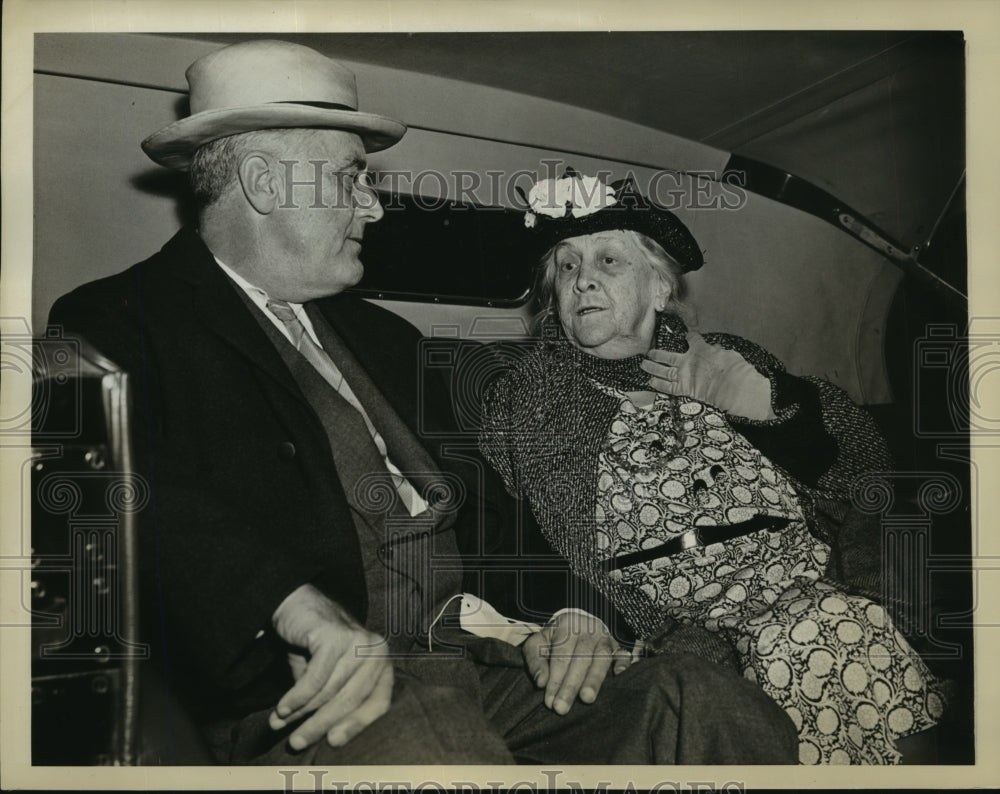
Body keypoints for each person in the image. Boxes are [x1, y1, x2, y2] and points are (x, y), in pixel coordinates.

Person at [47, 41, 799, 765]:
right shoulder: (119, 319)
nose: (372, 209)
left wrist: (576, 609)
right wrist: (284, 602)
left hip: (473, 655)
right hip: (310, 692)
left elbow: (496, 510)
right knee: (438, 743)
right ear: (263, 184)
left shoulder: (387, 338)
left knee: (703, 698)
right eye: (351, 179)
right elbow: (121, 487)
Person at [479, 170, 948, 764]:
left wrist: (770, 407)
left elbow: (863, 466)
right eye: (567, 267)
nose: (584, 279)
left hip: (809, 578)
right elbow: (503, 532)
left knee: (828, 621)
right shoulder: (528, 398)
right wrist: (576, 611)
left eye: (608, 260)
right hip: (675, 620)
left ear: (658, 288)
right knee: (811, 634)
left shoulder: (729, 355)